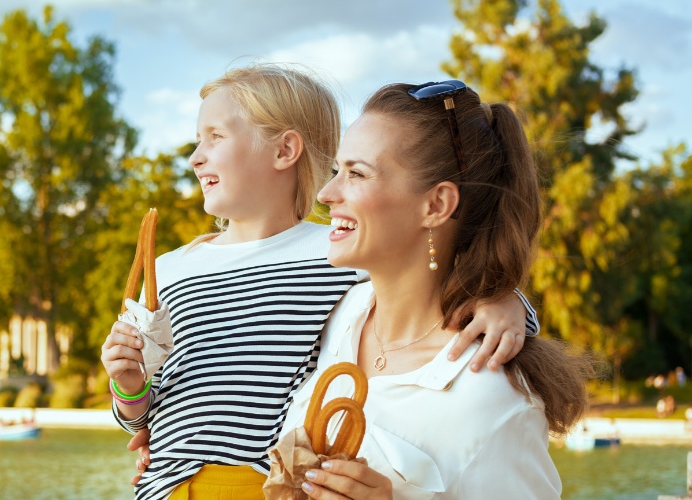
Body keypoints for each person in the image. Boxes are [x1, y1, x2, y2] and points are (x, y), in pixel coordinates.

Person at [100, 65, 541, 500]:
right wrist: (129, 389)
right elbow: (153, 409)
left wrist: (506, 301)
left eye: (215, 136)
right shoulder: (174, 269)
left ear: (284, 150)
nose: (195, 156)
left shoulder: (336, 260)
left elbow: (429, 278)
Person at [278, 80, 592, 498]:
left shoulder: (490, 400)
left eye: (357, 173)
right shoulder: (332, 312)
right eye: (337, 170)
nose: (326, 193)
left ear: (436, 205)